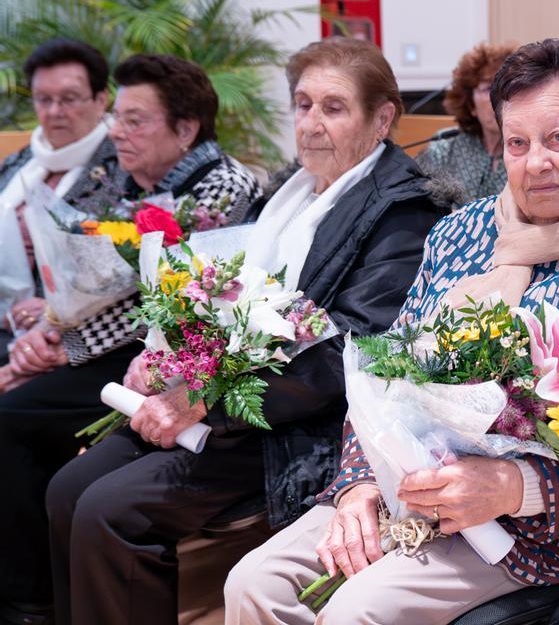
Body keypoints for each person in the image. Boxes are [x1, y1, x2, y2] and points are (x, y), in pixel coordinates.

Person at [225, 38, 559, 624]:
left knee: (356, 614)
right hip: (408, 483)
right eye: (518, 143)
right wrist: (356, 484)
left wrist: (513, 484)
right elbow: (379, 366)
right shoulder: (462, 231)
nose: (537, 163)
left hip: (537, 524)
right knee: (252, 584)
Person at [44, 37, 446, 624]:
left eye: (333, 108)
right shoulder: (290, 191)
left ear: (381, 118)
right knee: (67, 488)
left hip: (301, 428)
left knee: (111, 510)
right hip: (229, 403)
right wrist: (168, 358)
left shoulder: (403, 213)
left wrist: (203, 399)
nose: (310, 123)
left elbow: (348, 356)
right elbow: (221, 299)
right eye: (303, 104)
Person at [0, 53, 261, 623]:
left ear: (186, 128)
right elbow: (81, 274)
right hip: (111, 348)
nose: (117, 131)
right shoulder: (115, 174)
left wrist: (58, 347)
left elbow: (154, 303)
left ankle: (30, 602)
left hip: (166, 358)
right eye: (117, 117)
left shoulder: (220, 187)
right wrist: (47, 332)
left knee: (13, 418)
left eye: (135, 120)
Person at [0, 39, 112, 355]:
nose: (54, 112)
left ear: (101, 99)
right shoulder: (22, 161)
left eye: (69, 99)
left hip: (58, 336)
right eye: (43, 99)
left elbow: (115, 269)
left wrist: (53, 308)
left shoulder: (122, 169)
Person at [417, 41, 518, 202]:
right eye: (488, 88)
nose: (499, 97)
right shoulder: (444, 149)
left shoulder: (530, 152)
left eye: (507, 86)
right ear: (471, 104)